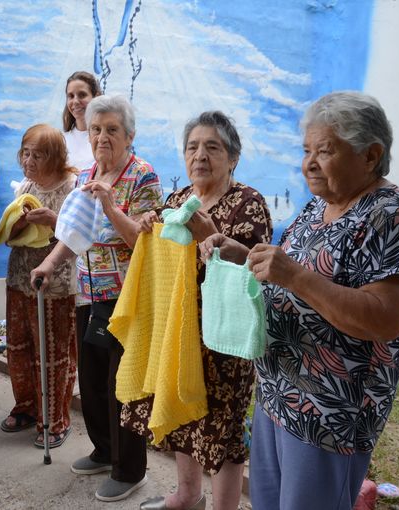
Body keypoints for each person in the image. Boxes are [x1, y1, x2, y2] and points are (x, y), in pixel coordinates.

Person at [201, 92, 399, 510]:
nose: (309, 162)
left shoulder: (392, 217)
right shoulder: (317, 208)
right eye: (307, 150)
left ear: (371, 155)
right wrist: (240, 253)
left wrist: (295, 276)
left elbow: (385, 319)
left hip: (329, 414)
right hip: (277, 395)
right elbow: (284, 273)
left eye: (325, 151)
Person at [127, 111, 272, 510]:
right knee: (183, 412)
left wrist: (212, 238)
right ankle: (188, 495)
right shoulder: (177, 201)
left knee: (222, 426)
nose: (200, 156)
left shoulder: (249, 203)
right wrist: (145, 226)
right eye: (192, 147)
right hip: (180, 332)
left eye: (213, 147)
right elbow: (158, 257)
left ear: (233, 157)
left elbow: (254, 270)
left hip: (224, 336)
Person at [31, 95, 163, 502]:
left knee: (121, 384)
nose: (102, 137)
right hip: (89, 293)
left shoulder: (143, 176)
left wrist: (108, 201)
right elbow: (74, 234)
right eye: (95, 129)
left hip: (128, 297)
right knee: (91, 379)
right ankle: (105, 450)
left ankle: (130, 470)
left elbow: (140, 242)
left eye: (111, 130)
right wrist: (50, 264)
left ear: (129, 136)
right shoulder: (88, 173)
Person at [0, 124, 78, 448]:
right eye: (26, 153)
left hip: (55, 284)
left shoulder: (71, 186)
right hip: (20, 277)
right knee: (19, 347)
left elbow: (78, 234)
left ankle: (55, 419)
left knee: (54, 354)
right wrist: (15, 223)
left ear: (56, 156)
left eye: (38, 154)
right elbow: (12, 236)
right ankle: (27, 408)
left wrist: (51, 219)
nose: (29, 161)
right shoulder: (27, 185)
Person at [61, 71, 102, 352]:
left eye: (82, 95)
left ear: (95, 97)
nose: (76, 101)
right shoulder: (61, 140)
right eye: (71, 96)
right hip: (68, 226)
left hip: (97, 227)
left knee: (91, 309)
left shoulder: (102, 136)